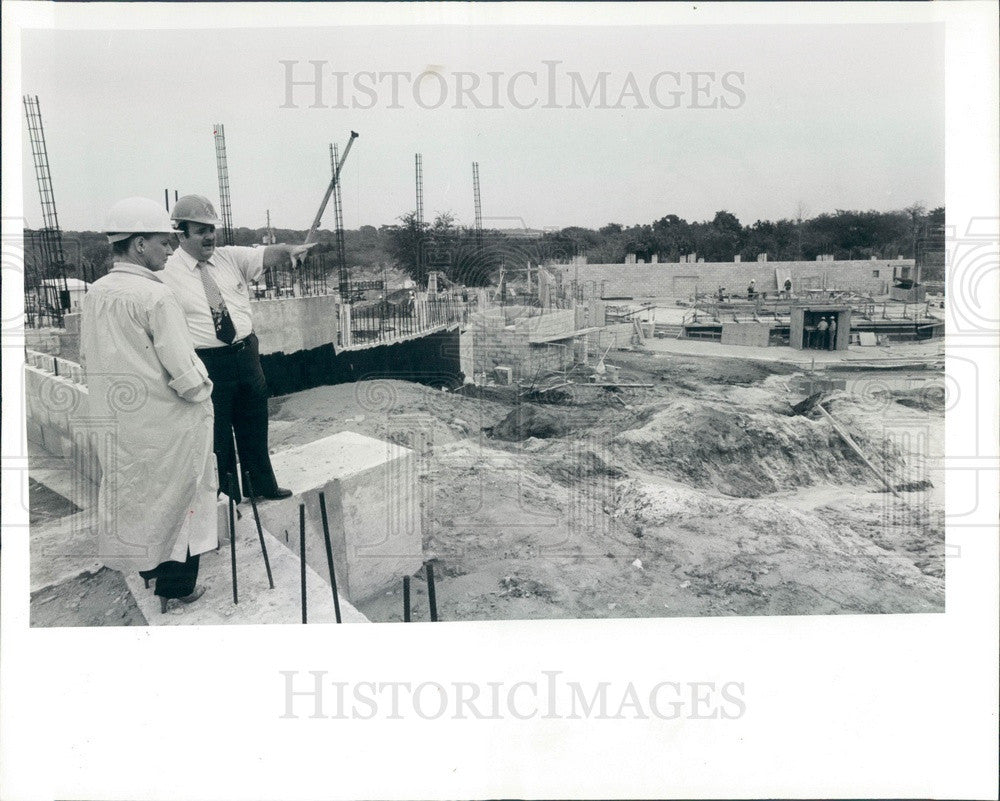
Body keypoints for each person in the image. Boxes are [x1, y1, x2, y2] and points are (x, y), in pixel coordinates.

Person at [81, 197, 216, 612]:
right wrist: (205, 389)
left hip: (124, 421)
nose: (171, 250)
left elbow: (89, 356)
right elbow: (184, 371)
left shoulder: (97, 292)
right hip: (169, 423)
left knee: (138, 499)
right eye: (164, 242)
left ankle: (149, 571)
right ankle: (177, 590)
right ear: (139, 244)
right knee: (182, 499)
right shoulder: (157, 298)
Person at [160, 195, 314, 503]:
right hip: (206, 362)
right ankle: (225, 497)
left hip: (246, 354)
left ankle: (261, 484)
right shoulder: (166, 272)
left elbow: (268, 254)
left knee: (254, 423)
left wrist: (290, 250)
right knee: (216, 434)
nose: (209, 236)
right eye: (201, 229)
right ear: (181, 233)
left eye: (212, 228)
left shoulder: (229, 257)